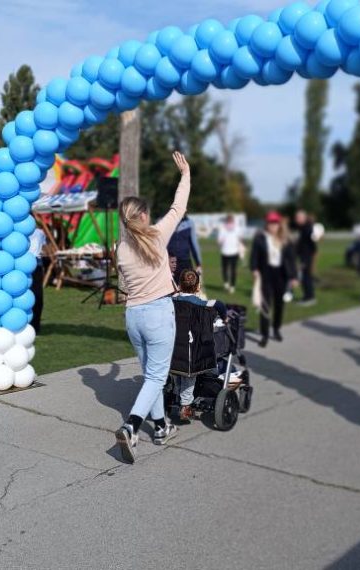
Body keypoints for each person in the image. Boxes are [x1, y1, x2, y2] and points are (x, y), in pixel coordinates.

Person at [114, 151, 191, 464]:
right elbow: (179, 206)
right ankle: (131, 426)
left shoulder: (121, 249)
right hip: (158, 314)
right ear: (143, 216)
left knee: (151, 374)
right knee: (157, 377)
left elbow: (124, 285)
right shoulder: (158, 236)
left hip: (133, 316)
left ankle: (160, 427)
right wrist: (185, 173)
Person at [173, 269, 228, 422]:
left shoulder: (171, 301)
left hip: (172, 349)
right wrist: (225, 317)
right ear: (197, 287)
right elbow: (219, 304)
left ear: (179, 285)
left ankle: (178, 396)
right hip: (190, 350)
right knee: (189, 376)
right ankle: (185, 405)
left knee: (177, 373)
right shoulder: (202, 304)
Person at [251, 211, 297, 348]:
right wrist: (254, 269)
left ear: (279, 224)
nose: (273, 225)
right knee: (265, 305)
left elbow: (291, 259)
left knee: (279, 304)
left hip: (281, 275)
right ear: (267, 223)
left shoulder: (285, 239)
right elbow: (254, 256)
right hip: (266, 273)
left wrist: (293, 276)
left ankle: (276, 328)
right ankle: (265, 335)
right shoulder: (260, 238)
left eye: (275, 223)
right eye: (270, 223)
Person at [291, 210, 317, 306]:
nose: (296, 219)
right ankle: (307, 296)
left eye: (298, 217)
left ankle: (309, 297)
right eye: (296, 217)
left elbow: (313, 242)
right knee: (304, 276)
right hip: (302, 255)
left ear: (304, 218)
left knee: (306, 277)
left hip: (306, 256)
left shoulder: (308, 228)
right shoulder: (301, 228)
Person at [167, 214, 202, 281]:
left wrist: (198, 264)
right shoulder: (167, 222)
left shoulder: (189, 223)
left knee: (188, 287)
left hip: (185, 262)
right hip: (171, 263)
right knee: (172, 289)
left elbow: (194, 244)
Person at [28, 226, 47, 333]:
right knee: (37, 295)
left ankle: (32, 324)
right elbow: (44, 247)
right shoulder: (40, 232)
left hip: (24, 263)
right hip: (36, 263)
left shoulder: (39, 232)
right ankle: (35, 325)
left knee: (34, 295)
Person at [217, 214, 242, 293]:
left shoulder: (237, 228)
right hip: (225, 252)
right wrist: (221, 241)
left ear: (233, 221)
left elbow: (239, 239)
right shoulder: (222, 228)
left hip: (234, 252)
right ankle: (226, 283)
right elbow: (219, 240)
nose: (230, 221)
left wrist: (241, 249)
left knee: (233, 270)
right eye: (229, 220)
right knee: (224, 269)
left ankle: (232, 286)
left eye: (231, 220)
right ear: (227, 220)